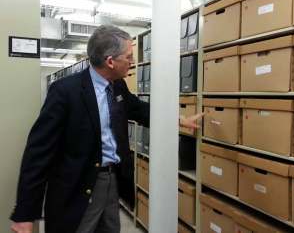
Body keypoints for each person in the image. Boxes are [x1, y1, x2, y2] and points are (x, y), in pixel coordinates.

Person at [10, 25, 202, 233]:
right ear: (110, 61)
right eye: (128, 57)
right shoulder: (65, 92)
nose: (133, 61)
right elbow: (38, 153)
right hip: (77, 187)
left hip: (112, 180)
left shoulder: (117, 86)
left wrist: (178, 119)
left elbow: (139, 110)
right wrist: (25, 213)